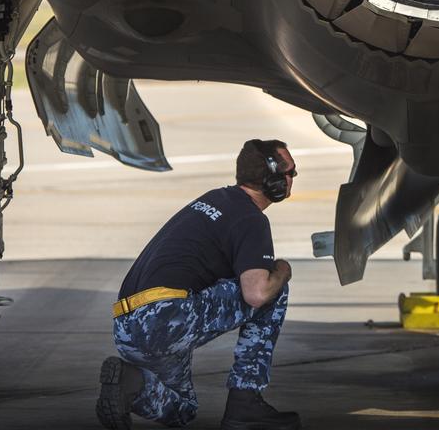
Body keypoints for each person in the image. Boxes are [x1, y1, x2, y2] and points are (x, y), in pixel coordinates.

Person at [96, 139, 300, 430]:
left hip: (128, 325)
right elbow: (256, 293)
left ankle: (132, 383)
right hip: (165, 317)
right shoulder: (251, 219)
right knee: (273, 289)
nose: (292, 179)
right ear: (272, 178)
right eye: (290, 172)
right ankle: (246, 403)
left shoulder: (215, 198)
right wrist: (283, 270)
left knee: (183, 410)